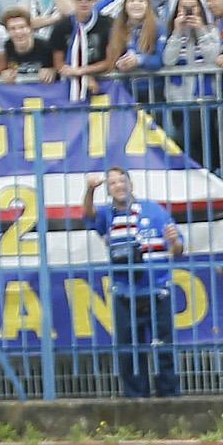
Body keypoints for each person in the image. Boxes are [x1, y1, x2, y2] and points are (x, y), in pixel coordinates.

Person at [80, 165, 182, 397]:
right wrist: (89, 190)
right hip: (125, 293)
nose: (119, 185)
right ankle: (136, 401)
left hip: (157, 290)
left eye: (122, 180)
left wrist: (174, 242)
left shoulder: (154, 211)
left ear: (130, 184)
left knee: (164, 349)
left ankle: (170, 399)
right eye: (113, 183)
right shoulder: (108, 215)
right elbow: (88, 215)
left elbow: (177, 249)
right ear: (108, 190)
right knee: (129, 351)